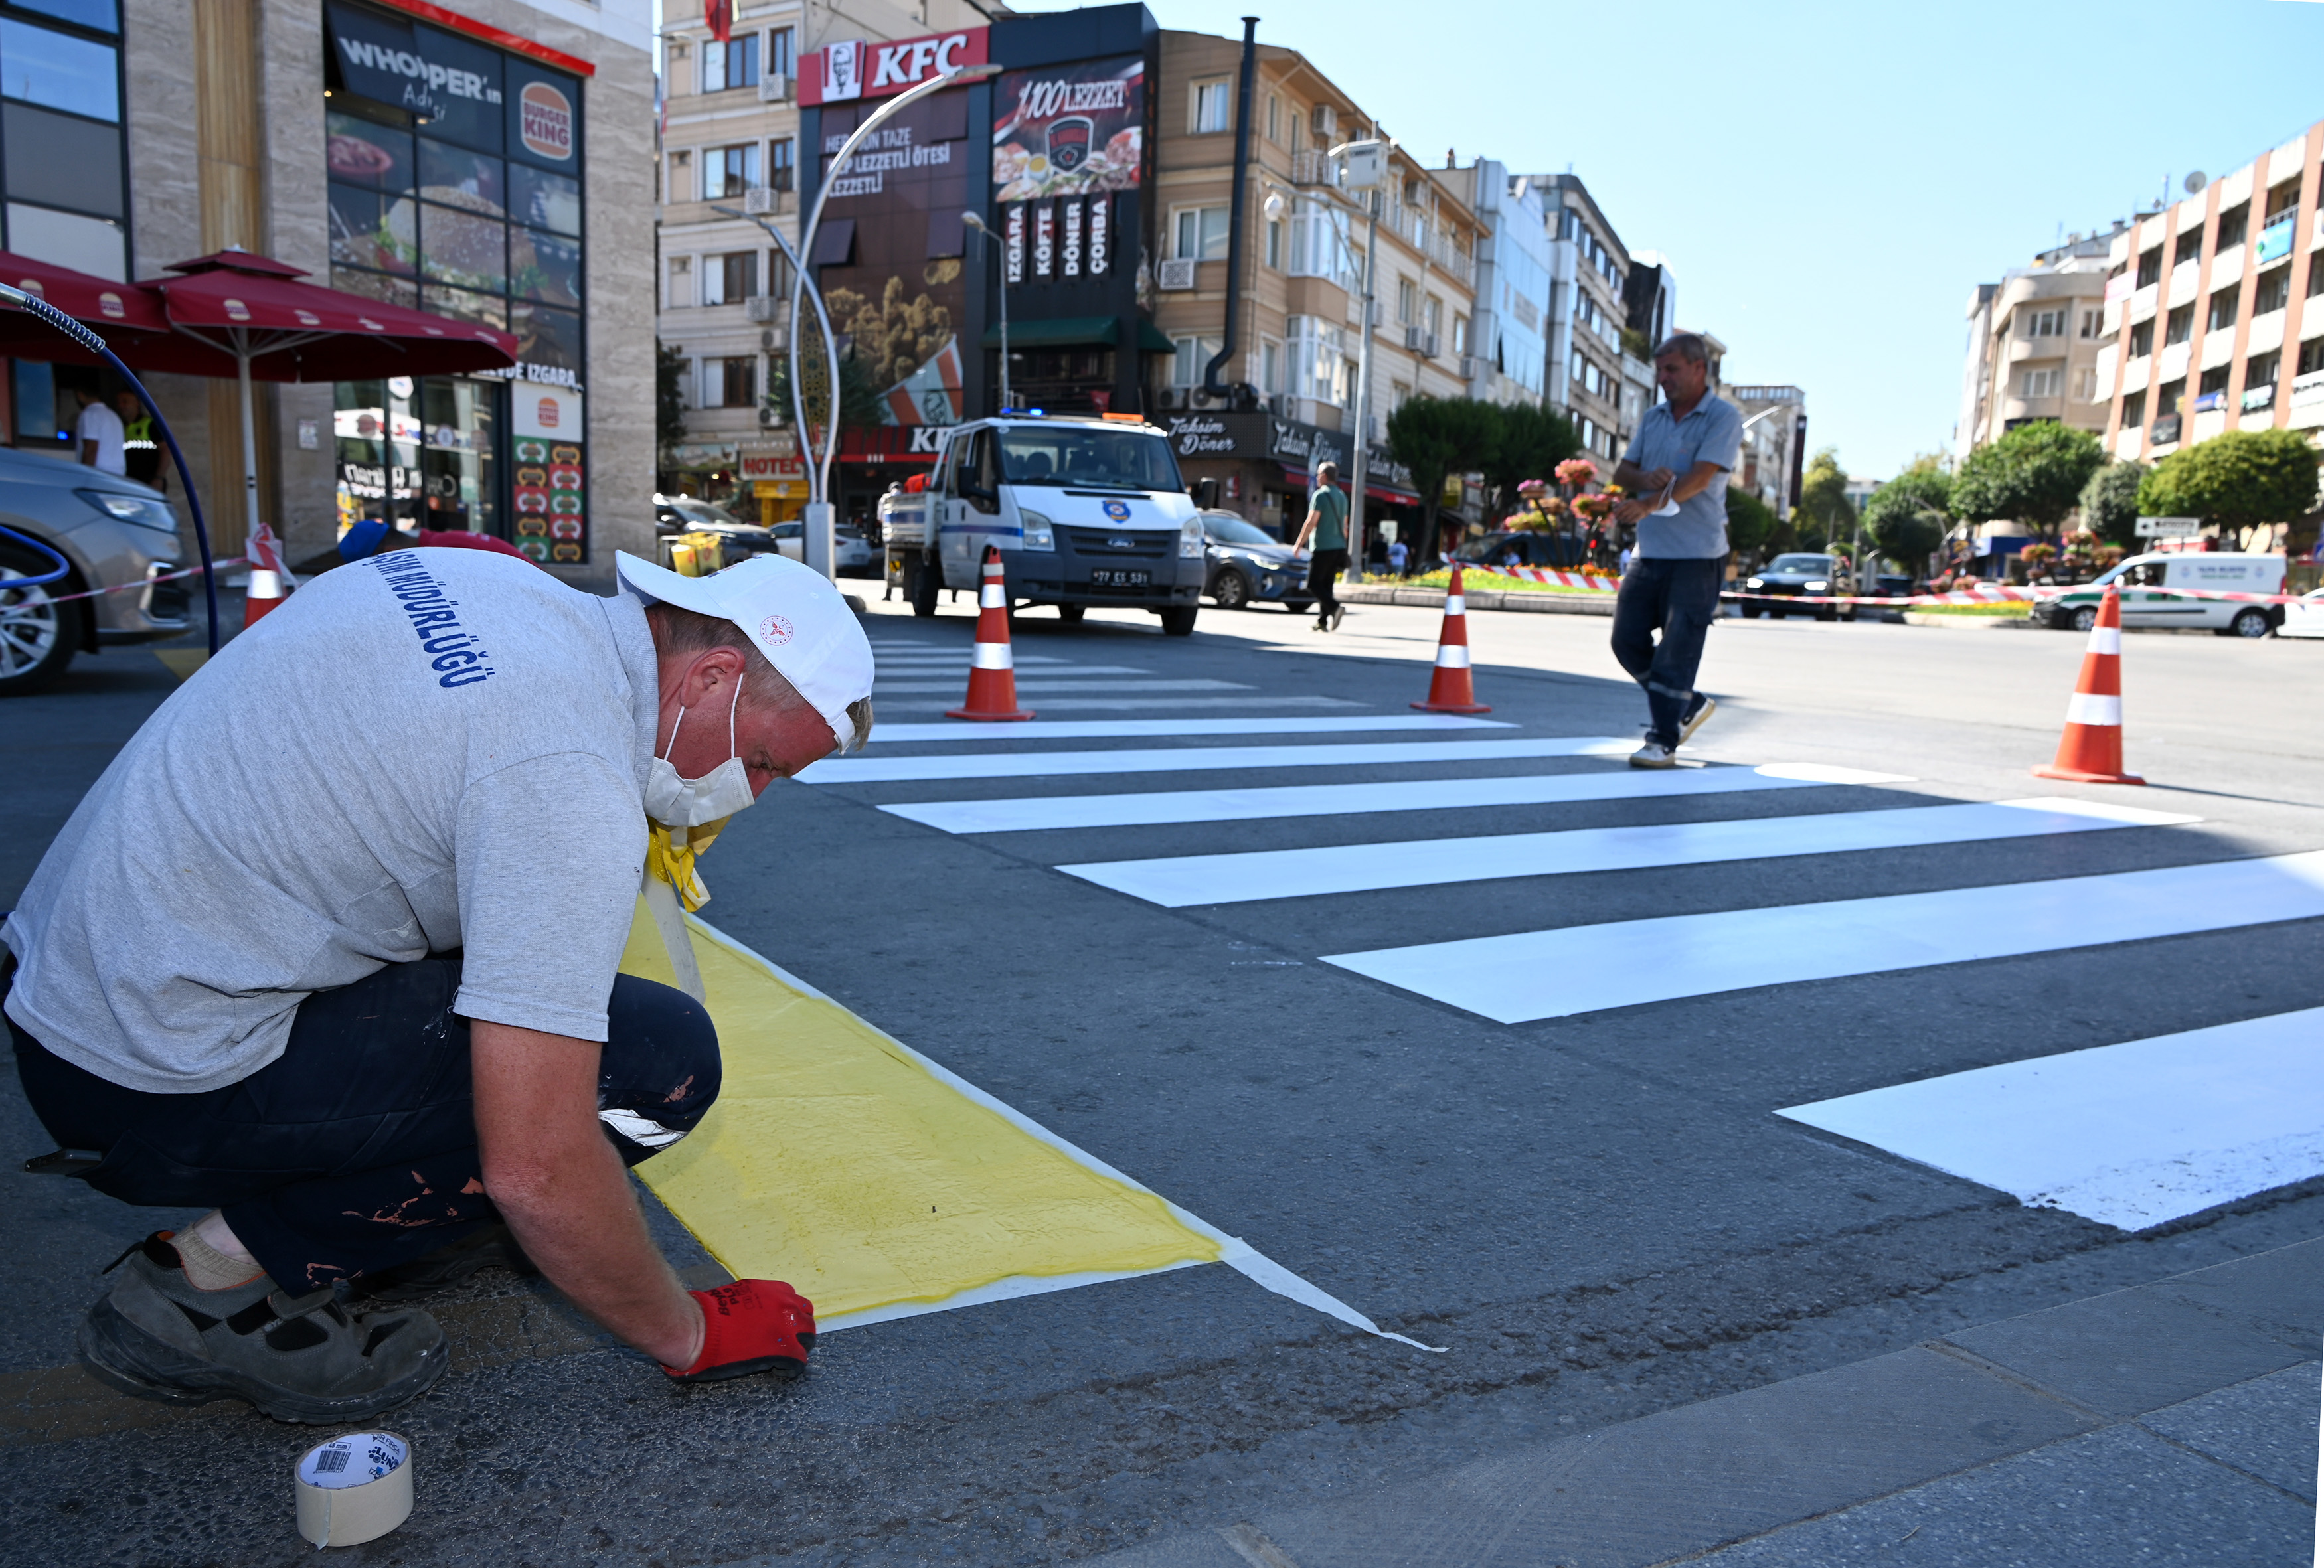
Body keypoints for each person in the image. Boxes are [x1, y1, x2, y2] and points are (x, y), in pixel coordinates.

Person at [3, 546, 874, 1422]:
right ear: (714, 676)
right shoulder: (566, 782)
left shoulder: (487, 584)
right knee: (659, 1061)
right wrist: (688, 1331)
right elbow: (537, 1163)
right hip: (145, 1074)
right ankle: (210, 1281)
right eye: (763, 762)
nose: (749, 793)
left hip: (69, 976)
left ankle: (409, 1214)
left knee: (528, 984)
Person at [1608, 333, 1743, 769]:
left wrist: (1648, 504)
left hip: (1698, 555)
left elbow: (1701, 478)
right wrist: (1644, 479)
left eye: (1672, 369)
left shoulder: (1723, 417)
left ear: (1699, 368)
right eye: (1660, 370)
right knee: (1626, 640)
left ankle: (1662, 740)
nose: (1663, 378)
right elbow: (1623, 471)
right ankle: (1687, 704)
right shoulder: (1654, 417)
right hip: (1651, 551)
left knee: (1676, 651)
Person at [1291, 460, 1350, 631]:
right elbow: (1345, 526)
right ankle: (1322, 621)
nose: (1317, 477)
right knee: (1326, 585)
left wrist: (1299, 544)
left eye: (1318, 474)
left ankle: (1335, 608)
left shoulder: (1321, 495)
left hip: (1323, 546)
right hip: (1338, 547)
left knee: (1313, 584)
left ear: (1324, 476)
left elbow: (1311, 522)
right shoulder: (1342, 496)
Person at [73, 386, 126, 477]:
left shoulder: (90, 414)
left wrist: (84, 477)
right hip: (118, 474)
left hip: (98, 474)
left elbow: (91, 449)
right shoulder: (113, 415)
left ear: (80, 395)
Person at [116, 391, 163, 491]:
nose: (121, 406)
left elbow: (166, 451)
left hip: (149, 482)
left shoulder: (150, 424)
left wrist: (159, 478)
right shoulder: (121, 426)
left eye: (125, 402)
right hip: (128, 482)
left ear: (137, 402)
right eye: (119, 402)